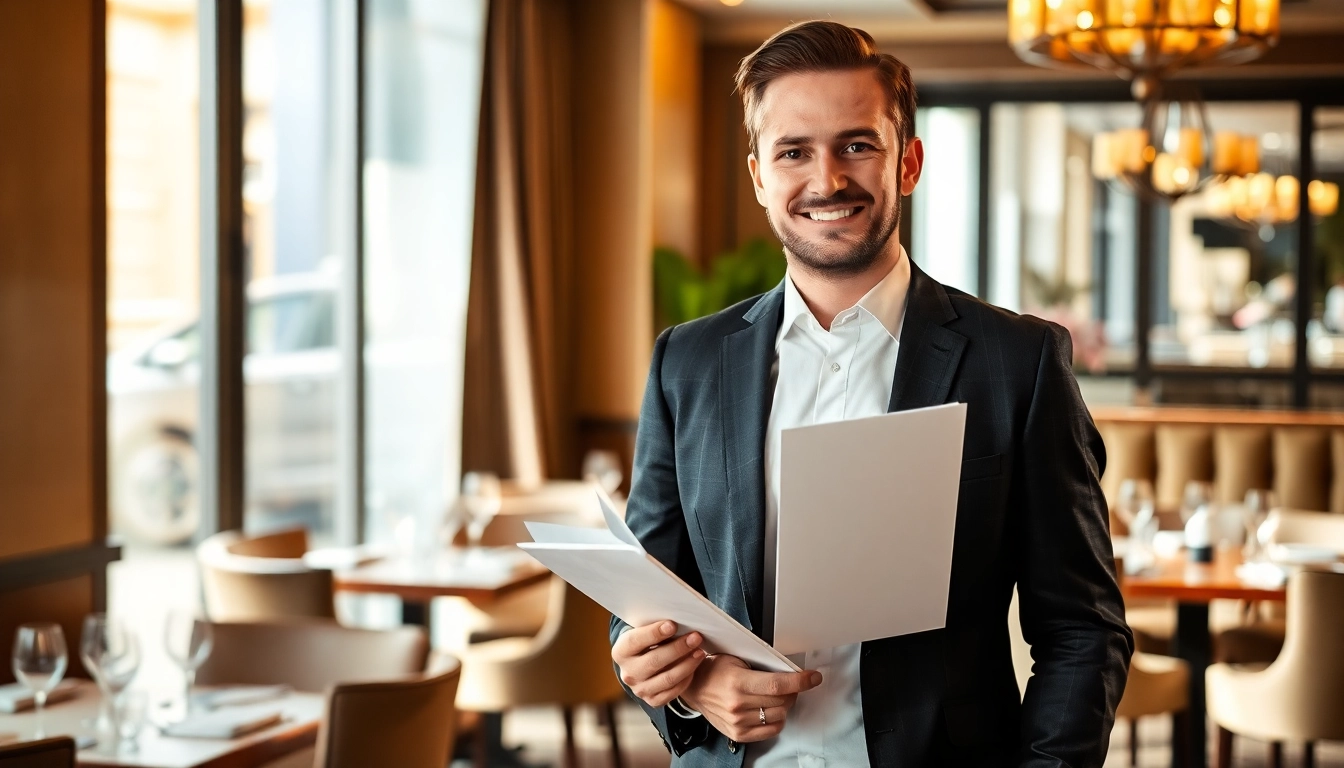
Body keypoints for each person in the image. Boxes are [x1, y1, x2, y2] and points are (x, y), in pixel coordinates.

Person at [609, 20, 1132, 767]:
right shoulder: (685, 363)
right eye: (794, 151)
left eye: (857, 145)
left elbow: (1083, 630)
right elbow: (644, 601)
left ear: (908, 162)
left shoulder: (1019, 362)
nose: (827, 180)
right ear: (759, 176)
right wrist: (692, 687)